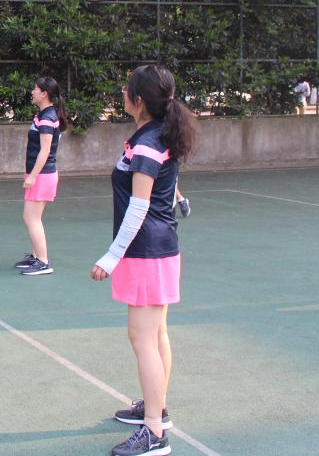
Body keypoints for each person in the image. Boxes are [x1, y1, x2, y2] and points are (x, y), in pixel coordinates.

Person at [91, 65, 198, 456]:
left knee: (143, 339)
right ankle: (157, 407)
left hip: (146, 251)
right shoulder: (155, 134)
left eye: (127, 88)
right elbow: (163, 183)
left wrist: (112, 256)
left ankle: (154, 431)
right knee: (156, 334)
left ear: (139, 100)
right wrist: (178, 197)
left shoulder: (149, 142)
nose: (122, 91)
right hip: (158, 247)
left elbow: (139, 206)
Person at [13, 76, 67, 276]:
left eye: (35, 89)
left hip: (43, 175)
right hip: (40, 174)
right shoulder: (44, 114)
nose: (32, 92)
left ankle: (43, 262)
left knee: (31, 218)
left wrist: (33, 177)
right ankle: (36, 256)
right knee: (31, 217)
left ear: (44, 93)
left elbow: (45, 151)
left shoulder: (47, 117)